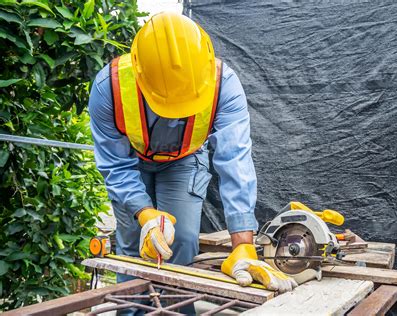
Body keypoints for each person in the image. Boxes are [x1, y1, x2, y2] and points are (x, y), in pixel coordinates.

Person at [89, 12, 297, 296]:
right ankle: (132, 311)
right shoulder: (108, 88)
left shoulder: (224, 84)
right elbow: (115, 165)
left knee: (183, 240)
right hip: (132, 164)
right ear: (140, 74)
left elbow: (235, 161)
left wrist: (243, 246)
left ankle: (176, 308)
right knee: (133, 246)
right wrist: (145, 213)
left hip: (184, 160)